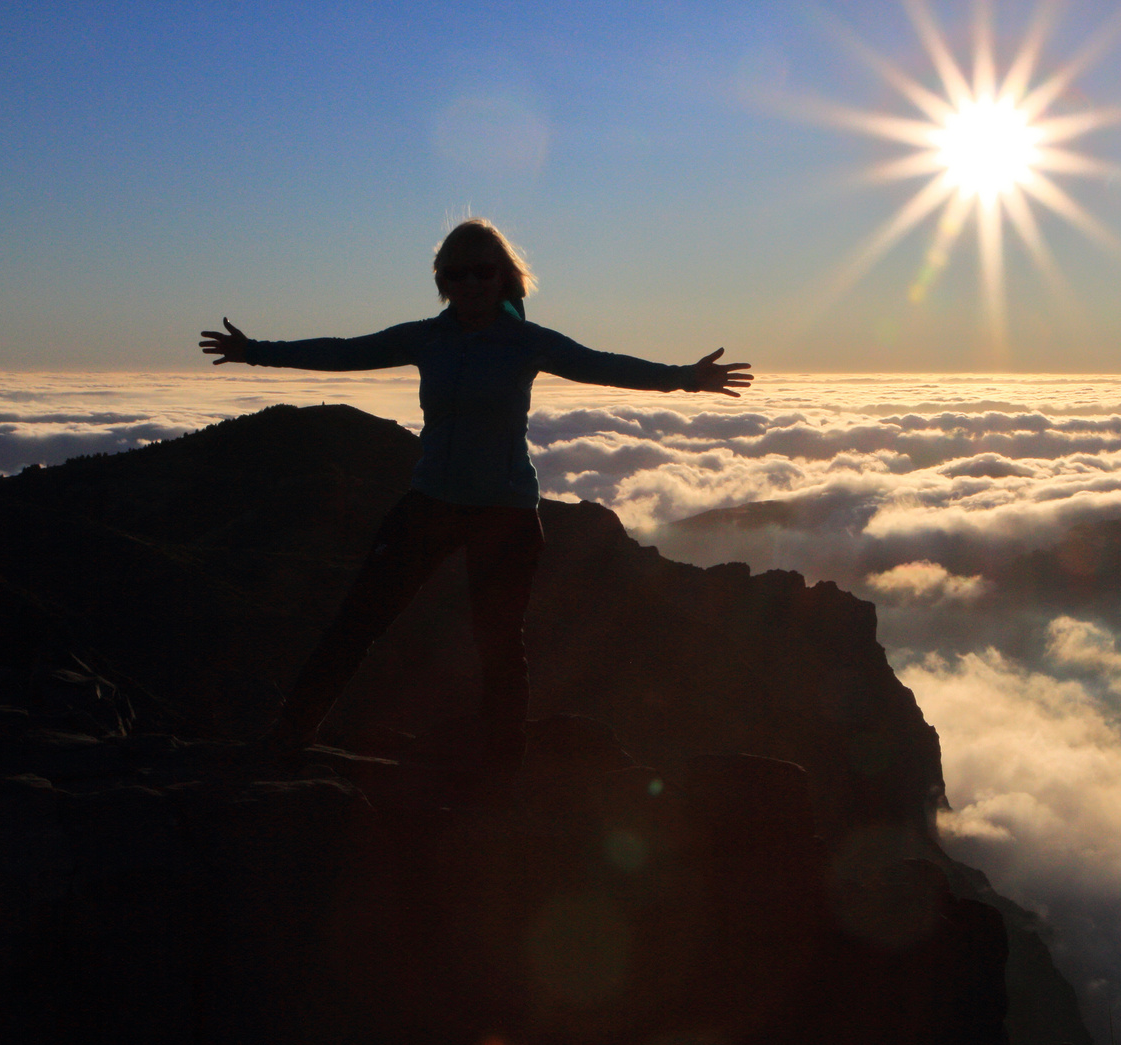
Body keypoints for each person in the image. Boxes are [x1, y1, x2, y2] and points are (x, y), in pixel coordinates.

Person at [201, 218, 751, 775]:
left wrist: (685, 378)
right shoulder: (426, 337)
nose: (469, 283)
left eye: (482, 271)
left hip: (505, 512)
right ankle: (290, 737)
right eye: (455, 273)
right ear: (442, 281)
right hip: (431, 502)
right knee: (357, 621)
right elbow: (345, 352)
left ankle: (502, 773)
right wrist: (255, 352)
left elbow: (603, 366)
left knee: (498, 646)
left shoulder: (528, 342)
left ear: (505, 277)